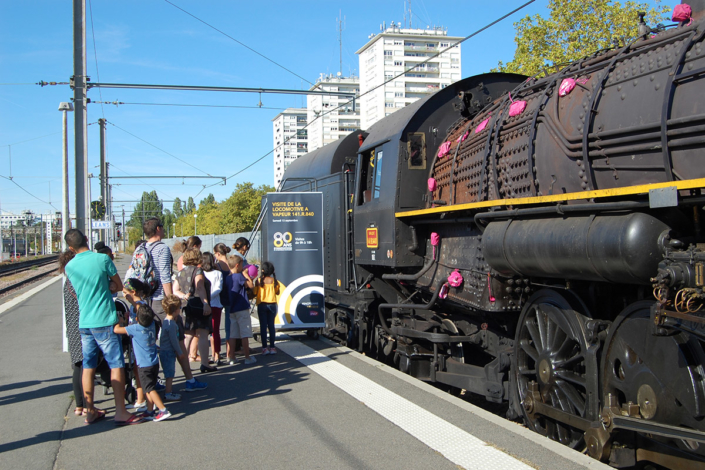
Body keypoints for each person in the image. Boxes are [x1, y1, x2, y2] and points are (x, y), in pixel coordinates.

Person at [63, 229, 143, 426]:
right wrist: (106, 286)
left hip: (85, 323)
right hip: (105, 320)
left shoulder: (70, 267)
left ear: (71, 248)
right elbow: (117, 285)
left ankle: (90, 410)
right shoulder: (102, 260)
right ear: (87, 240)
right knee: (116, 364)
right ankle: (121, 412)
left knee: (88, 366)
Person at [114, 305, 172, 422]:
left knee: (150, 389)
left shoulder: (135, 328)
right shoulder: (152, 325)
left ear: (137, 319)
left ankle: (163, 410)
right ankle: (150, 410)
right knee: (148, 388)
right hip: (153, 362)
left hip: (144, 365)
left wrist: (119, 320)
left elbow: (116, 330)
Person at [173, 247, 215, 373]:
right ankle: (204, 363)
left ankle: (184, 362)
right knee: (202, 334)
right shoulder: (198, 271)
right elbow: (200, 287)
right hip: (199, 306)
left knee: (188, 334)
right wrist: (205, 303)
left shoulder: (180, 272)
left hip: (187, 306)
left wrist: (184, 296)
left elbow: (175, 290)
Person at [122, 278, 150, 409]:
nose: (123, 295)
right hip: (136, 344)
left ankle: (144, 399)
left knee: (139, 371)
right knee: (136, 370)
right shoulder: (135, 305)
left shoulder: (139, 306)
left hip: (140, 345)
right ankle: (140, 399)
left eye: (125, 292)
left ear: (133, 292)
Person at [225, 254, 255, 365]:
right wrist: (246, 275)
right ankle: (247, 357)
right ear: (237, 265)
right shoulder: (239, 276)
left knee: (233, 334)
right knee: (244, 333)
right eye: (242, 265)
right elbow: (250, 286)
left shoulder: (228, 278)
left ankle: (231, 357)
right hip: (242, 308)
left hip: (232, 309)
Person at [160, 295, 187, 401]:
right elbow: (174, 340)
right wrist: (180, 352)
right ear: (176, 310)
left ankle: (168, 391)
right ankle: (168, 392)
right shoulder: (171, 325)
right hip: (168, 352)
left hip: (164, 351)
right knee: (170, 374)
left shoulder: (166, 321)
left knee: (168, 372)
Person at [254, 261, 280, 355]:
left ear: (263, 270)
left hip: (262, 305)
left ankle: (264, 348)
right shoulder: (274, 281)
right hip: (272, 305)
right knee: (271, 326)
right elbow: (277, 292)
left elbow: (255, 292)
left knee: (263, 327)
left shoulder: (259, 280)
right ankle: (272, 347)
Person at [201, 252, 223, 365]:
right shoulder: (218, 273)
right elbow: (219, 288)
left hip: (205, 305)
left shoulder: (201, 273)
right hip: (215, 305)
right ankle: (216, 354)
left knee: (207, 332)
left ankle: (213, 354)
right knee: (215, 331)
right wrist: (210, 298)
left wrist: (206, 299)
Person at [213, 243, 232, 360]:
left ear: (218, 253)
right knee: (229, 328)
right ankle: (229, 354)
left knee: (215, 328)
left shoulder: (216, 266)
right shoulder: (231, 263)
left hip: (218, 298)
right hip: (230, 297)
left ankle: (216, 354)